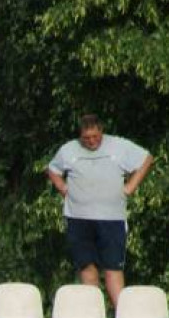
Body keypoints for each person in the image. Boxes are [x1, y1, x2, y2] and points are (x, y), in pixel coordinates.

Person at [48, 114, 154, 307]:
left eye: (95, 136)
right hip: (78, 218)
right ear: (80, 135)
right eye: (86, 138)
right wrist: (63, 188)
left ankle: (122, 316)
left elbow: (146, 159)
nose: (91, 141)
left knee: (113, 267)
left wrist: (130, 186)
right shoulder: (68, 149)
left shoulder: (119, 146)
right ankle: (94, 314)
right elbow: (53, 169)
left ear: (101, 131)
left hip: (111, 219)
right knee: (87, 267)